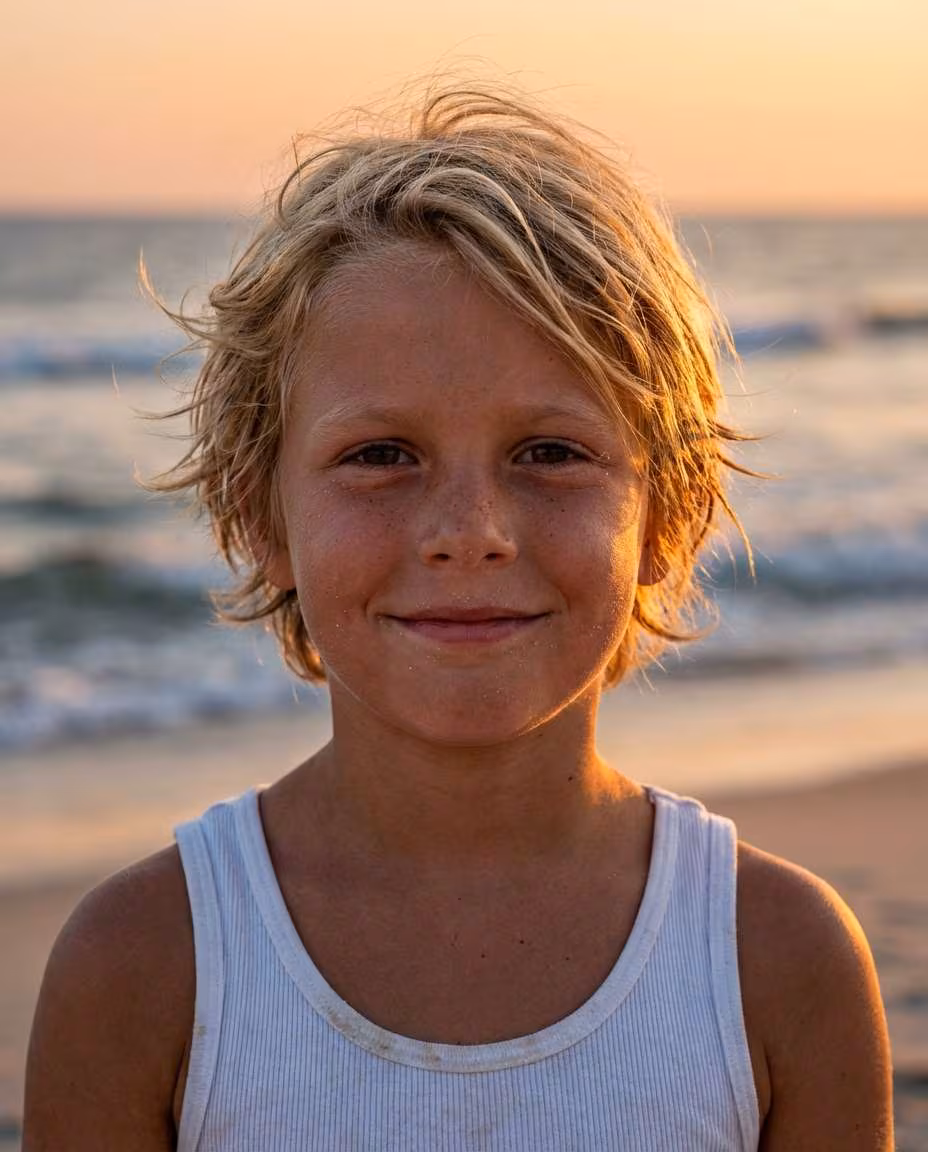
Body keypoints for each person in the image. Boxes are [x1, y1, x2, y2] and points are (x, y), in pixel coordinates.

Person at [23, 79, 893, 1150]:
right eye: (380, 456)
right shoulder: (149, 962)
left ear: (665, 511)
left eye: (550, 453)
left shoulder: (775, 957)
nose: (469, 530)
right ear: (261, 515)